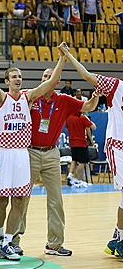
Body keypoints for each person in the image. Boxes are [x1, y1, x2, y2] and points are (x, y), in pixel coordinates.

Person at [0, 35, 66, 260]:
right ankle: (0, 235)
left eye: (20, 76)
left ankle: (8, 242)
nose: (18, 78)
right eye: (14, 76)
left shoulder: (28, 98)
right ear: (7, 81)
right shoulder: (1, 97)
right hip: (3, 154)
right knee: (2, 200)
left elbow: (50, 82)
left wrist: (62, 59)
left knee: (18, 199)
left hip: (21, 154)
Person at [11, 67, 99, 256]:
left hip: (52, 153)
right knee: (22, 199)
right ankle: (14, 241)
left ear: (57, 83)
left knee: (55, 201)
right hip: (31, 152)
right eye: (44, 76)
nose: (46, 79)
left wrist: (96, 94)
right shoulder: (30, 96)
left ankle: (54, 244)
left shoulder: (64, 101)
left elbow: (89, 107)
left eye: (50, 77)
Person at [55, 43, 123, 258]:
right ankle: (119, 240)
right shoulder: (117, 86)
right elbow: (86, 75)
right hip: (117, 145)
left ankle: (116, 239)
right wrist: (68, 55)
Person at [66, 113, 96, 186]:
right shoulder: (82, 117)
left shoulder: (69, 117)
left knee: (74, 160)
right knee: (82, 162)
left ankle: (70, 175)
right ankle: (78, 180)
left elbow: (67, 128)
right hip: (81, 142)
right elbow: (94, 127)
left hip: (72, 142)